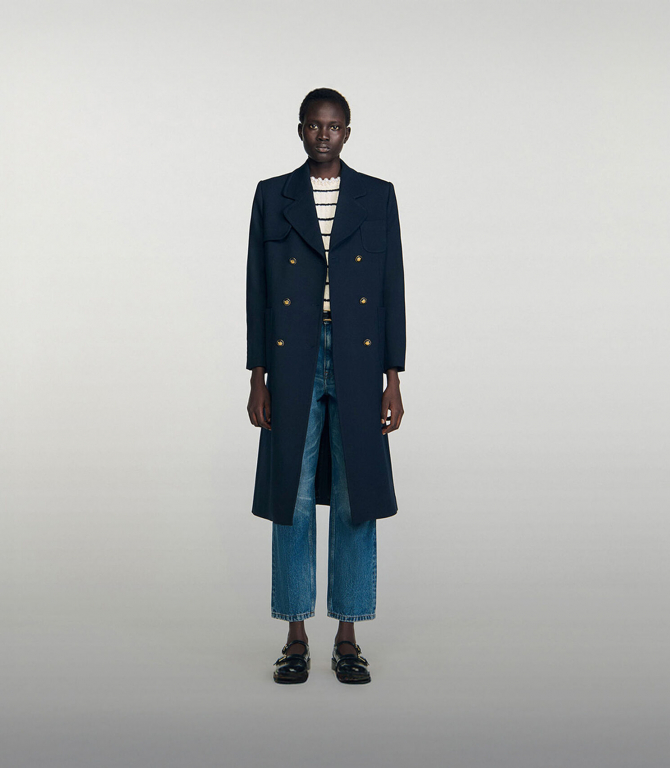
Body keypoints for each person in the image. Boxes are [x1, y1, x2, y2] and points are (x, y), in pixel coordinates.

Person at [245, 88, 407, 685]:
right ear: (300, 130)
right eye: (314, 125)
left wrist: (393, 377)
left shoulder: (377, 196)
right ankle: (295, 636)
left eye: (333, 127)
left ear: (347, 133)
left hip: (359, 358)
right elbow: (258, 289)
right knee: (289, 492)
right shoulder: (273, 196)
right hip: (293, 356)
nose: (323, 135)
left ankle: (348, 636)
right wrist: (257, 375)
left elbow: (391, 288)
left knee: (354, 490)